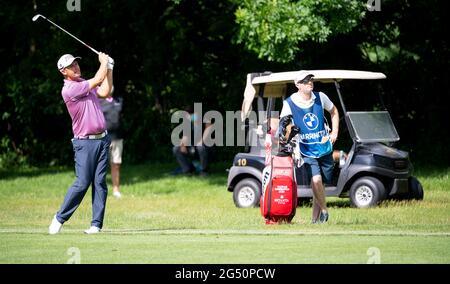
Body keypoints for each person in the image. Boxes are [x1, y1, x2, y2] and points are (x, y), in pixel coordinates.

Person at [48, 52, 114, 234]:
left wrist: (110, 69)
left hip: (102, 140)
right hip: (84, 143)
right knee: (82, 182)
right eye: (71, 66)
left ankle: (96, 225)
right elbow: (97, 78)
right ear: (63, 71)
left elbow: (105, 91)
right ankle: (59, 218)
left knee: (100, 183)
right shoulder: (69, 89)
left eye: (76, 64)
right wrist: (104, 63)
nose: (76, 67)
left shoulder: (83, 83)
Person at [279, 71, 339, 224]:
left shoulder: (320, 97)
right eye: (305, 81)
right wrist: (289, 130)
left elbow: (334, 111)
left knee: (318, 185)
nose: (309, 82)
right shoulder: (289, 103)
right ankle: (325, 211)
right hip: (306, 150)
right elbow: (284, 126)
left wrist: (335, 133)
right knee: (317, 180)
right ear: (297, 85)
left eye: (310, 79)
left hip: (324, 147)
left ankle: (314, 220)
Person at [172, 105, 212, 176]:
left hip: (205, 146)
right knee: (176, 148)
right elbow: (185, 136)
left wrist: (201, 141)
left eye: (191, 115)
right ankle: (187, 170)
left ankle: (204, 171)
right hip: (193, 146)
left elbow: (208, 129)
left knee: (201, 147)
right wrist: (183, 145)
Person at [100, 96, 124, 199]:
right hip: (103, 138)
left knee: (116, 164)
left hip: (117, 137)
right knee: (100, 166)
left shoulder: (119, 100)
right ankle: (99, 190)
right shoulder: (98, 101)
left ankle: (116, 190)